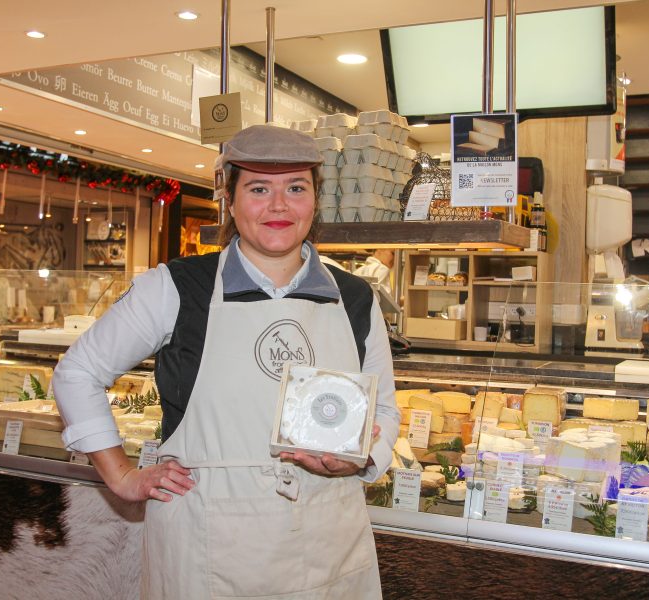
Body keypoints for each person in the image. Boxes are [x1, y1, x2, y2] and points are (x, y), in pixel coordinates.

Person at [52, 124, 400, 600]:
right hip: (206, 549)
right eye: (259, 189)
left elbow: (383, 411)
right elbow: (78, 373)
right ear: (230, 202)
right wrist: (121, 476)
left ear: (315, 201)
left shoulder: (357, 299)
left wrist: (361, 461)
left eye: (295, 189)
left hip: (329, 546)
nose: (279, 206)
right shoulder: (176, 287)